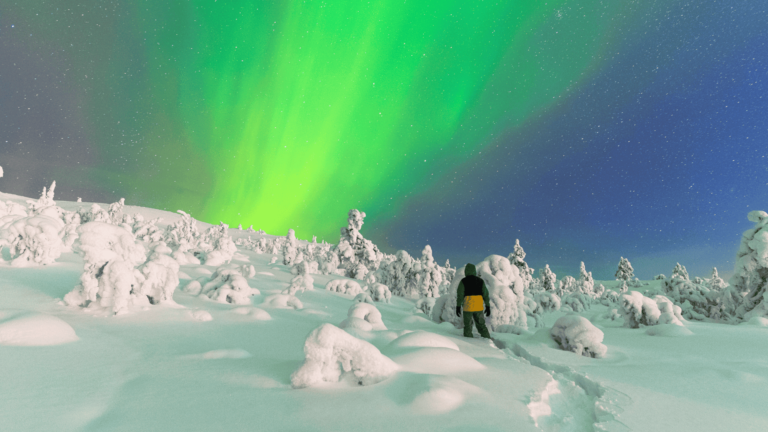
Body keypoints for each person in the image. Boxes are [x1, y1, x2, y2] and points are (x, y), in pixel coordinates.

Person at [455, 263, 491, 338]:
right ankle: (487, 338)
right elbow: (485, 294)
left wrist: (458, 306)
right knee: (481, 325)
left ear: (466, 271)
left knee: (468, 326)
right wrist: (487, 306)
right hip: (478, 307)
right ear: (474, 271)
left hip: (468, 307)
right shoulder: (480, 281)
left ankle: (468, 341)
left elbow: (460, 295)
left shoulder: (463, 281)